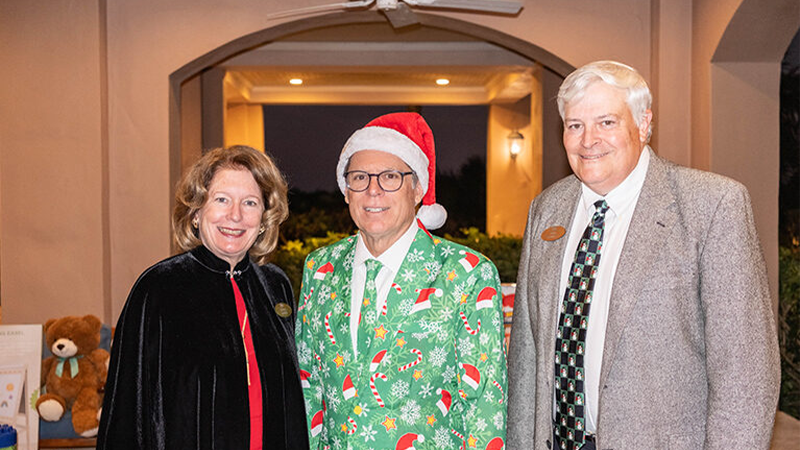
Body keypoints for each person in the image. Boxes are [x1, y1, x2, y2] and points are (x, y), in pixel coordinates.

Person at [507, 61, 780, 450]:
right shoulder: (546, 209)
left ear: (643, 124)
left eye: (606, 122)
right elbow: (526, 360)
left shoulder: (712, 205)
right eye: (575, 125)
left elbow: (745, 374)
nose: (588, 140)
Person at [295, 112, 507, 450]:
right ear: (346, 191)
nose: (373, 191)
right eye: (359, 177)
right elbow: (308, 388)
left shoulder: (466, 273)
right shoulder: (320, 269)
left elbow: (484, 406)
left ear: (418, 188)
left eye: (391, 177)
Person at [97, 146, 308, 450]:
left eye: (250, 202)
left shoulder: (276, 287)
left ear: (264, 218)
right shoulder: (159, 289)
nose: (235, 215)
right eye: (221, 199)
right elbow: (127, 413)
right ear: (196, 212)